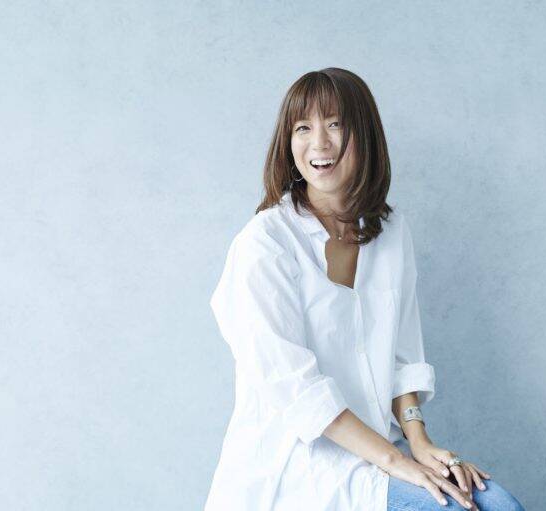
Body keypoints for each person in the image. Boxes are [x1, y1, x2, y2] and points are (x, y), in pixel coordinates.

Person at [205, 68, 526, 511]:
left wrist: (420, 442)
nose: (319, 143)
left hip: (381, 448)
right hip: (302, 462)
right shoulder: (265, 243)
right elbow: (298, 393)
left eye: (335, 124)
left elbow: (402, 358)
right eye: (303, 128)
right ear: (288, 143)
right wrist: (397, 462)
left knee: (502, 506)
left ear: (365, 135)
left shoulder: (391, 232)